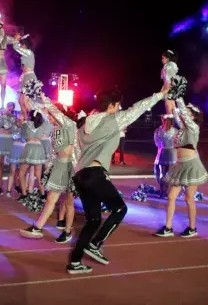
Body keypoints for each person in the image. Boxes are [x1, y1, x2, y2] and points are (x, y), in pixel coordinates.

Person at [67, 87, 168, 274]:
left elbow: (75, 152)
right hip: (94, 173)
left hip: (80, 175)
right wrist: (161, 94)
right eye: (119, 105)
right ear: (112, 105)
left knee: (93, 220)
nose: (121, 108)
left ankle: (75, 261)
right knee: (120, 209)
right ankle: (95, 244)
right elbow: (138, 108)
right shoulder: (111, 119)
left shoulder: (84, 125)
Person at [20, 95, 77, 244]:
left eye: (50, 114)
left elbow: (73, 152)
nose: (48, 116)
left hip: (71, 167)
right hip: (59, 166)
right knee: (51, 199)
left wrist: (43, 96)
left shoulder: (69, 124)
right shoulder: (55, 129)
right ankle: (38, 227)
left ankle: (67, 231)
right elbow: (54, 152)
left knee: (69, 202)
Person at [155, 98, 208, 238]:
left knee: (189, 198)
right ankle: (168, 227)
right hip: (179, 164)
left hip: (192, 165)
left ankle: (192, 228)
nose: (185, 114)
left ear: (193, 116)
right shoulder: (183, 128)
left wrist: (179, 99)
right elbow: (174, 111)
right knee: (171, 196)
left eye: (188, 113)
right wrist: (170, 95)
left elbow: (181, 112)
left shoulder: (193, 127)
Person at [17, 110, 49, 204]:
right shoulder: (43, 125)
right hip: (39, 149)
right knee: (39, 175)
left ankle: (24, 194)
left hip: (29, 148)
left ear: (30, 116)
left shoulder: (26, 124)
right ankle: (43, 194)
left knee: (22, 173)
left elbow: (21, 136)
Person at [13, 34, 43, 118]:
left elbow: (16, 47)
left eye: (21, 44)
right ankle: (25, 120)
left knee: (25, 101)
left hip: (30, 78)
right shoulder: (25, 54)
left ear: (25, 44)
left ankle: (36, 119)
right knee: (20, 101)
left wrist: (16, 39)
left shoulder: (29, 52)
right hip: (25, 77)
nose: (21, 46)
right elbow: (24, 67)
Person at [0, 102, 17, 195]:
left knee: (14, 164)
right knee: (0, 164)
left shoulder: (14, 118)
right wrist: (0, 115)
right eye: (8, 106)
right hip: (1, 139)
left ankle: (15, 185)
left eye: (11, 106)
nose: (9, 107)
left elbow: (13, 128)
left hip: (10, 141)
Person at [153, 115, 177, 196]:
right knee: (167, 174)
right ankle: (165, 191)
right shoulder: (175, 131)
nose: (162, 120)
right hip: (171, 153)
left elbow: (156, 143)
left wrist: (162, 145)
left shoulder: (158, 130)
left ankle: (162, 191)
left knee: (162, 174)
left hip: (163, 152)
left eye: (163, 119)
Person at [160, 50, 187, 115]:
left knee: (170, 109)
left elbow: (171, 80)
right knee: (172, 109)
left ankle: (170, 124)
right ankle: (171, 123)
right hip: (169, 91)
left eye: (163, 58)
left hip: (169, 91)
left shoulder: (168, 66)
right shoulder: (169, 66)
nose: (161, 60)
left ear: (168, 59)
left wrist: (166, 91)